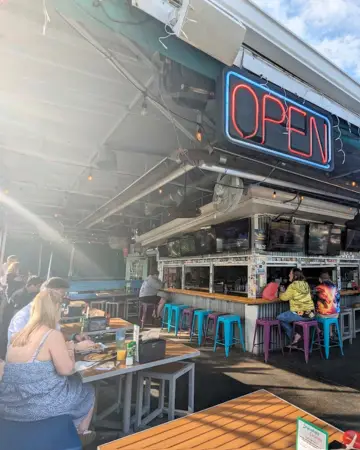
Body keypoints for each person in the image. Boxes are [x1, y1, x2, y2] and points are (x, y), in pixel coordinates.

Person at [0, 289, 96, 446]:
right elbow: (66, 370)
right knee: (87, 390)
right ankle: (79, 433)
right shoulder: (51, 334)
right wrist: (70, 348)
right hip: (40, 406)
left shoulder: (19, 336)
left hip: (10, 406)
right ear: (55, 309)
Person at [7, 277, 93, 352]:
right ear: (47, 294)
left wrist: (74, 337)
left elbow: (55, 334)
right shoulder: (23, 317)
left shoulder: (50, 314)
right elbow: (21, 348)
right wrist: (73, 347)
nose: (62, 300)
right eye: (61, 295)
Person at [277, 268, 315, 345]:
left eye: (290, 274)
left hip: (300, 313)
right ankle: (298, 339)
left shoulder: (292, 286)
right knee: (292, 318)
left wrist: (281, 291)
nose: (288, 275)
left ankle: (295, 336)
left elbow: (284, 298)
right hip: (311, 314)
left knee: (279, 318)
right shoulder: (305, 284)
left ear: (295, 276)